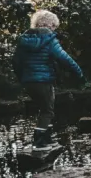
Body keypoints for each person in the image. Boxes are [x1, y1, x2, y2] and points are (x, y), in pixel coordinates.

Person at [13, 10, 85, 147]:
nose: (54, 29)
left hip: (28, 82)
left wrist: (22, 77)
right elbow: (65, 59)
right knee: (47, 110)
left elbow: (16, 62)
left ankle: (47, 138)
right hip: (44, 80)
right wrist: (79, 73)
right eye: (54, 26)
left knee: (45, 108)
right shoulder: (50, 40)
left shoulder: (24, 40)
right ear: (48, 24)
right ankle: (39, 142)